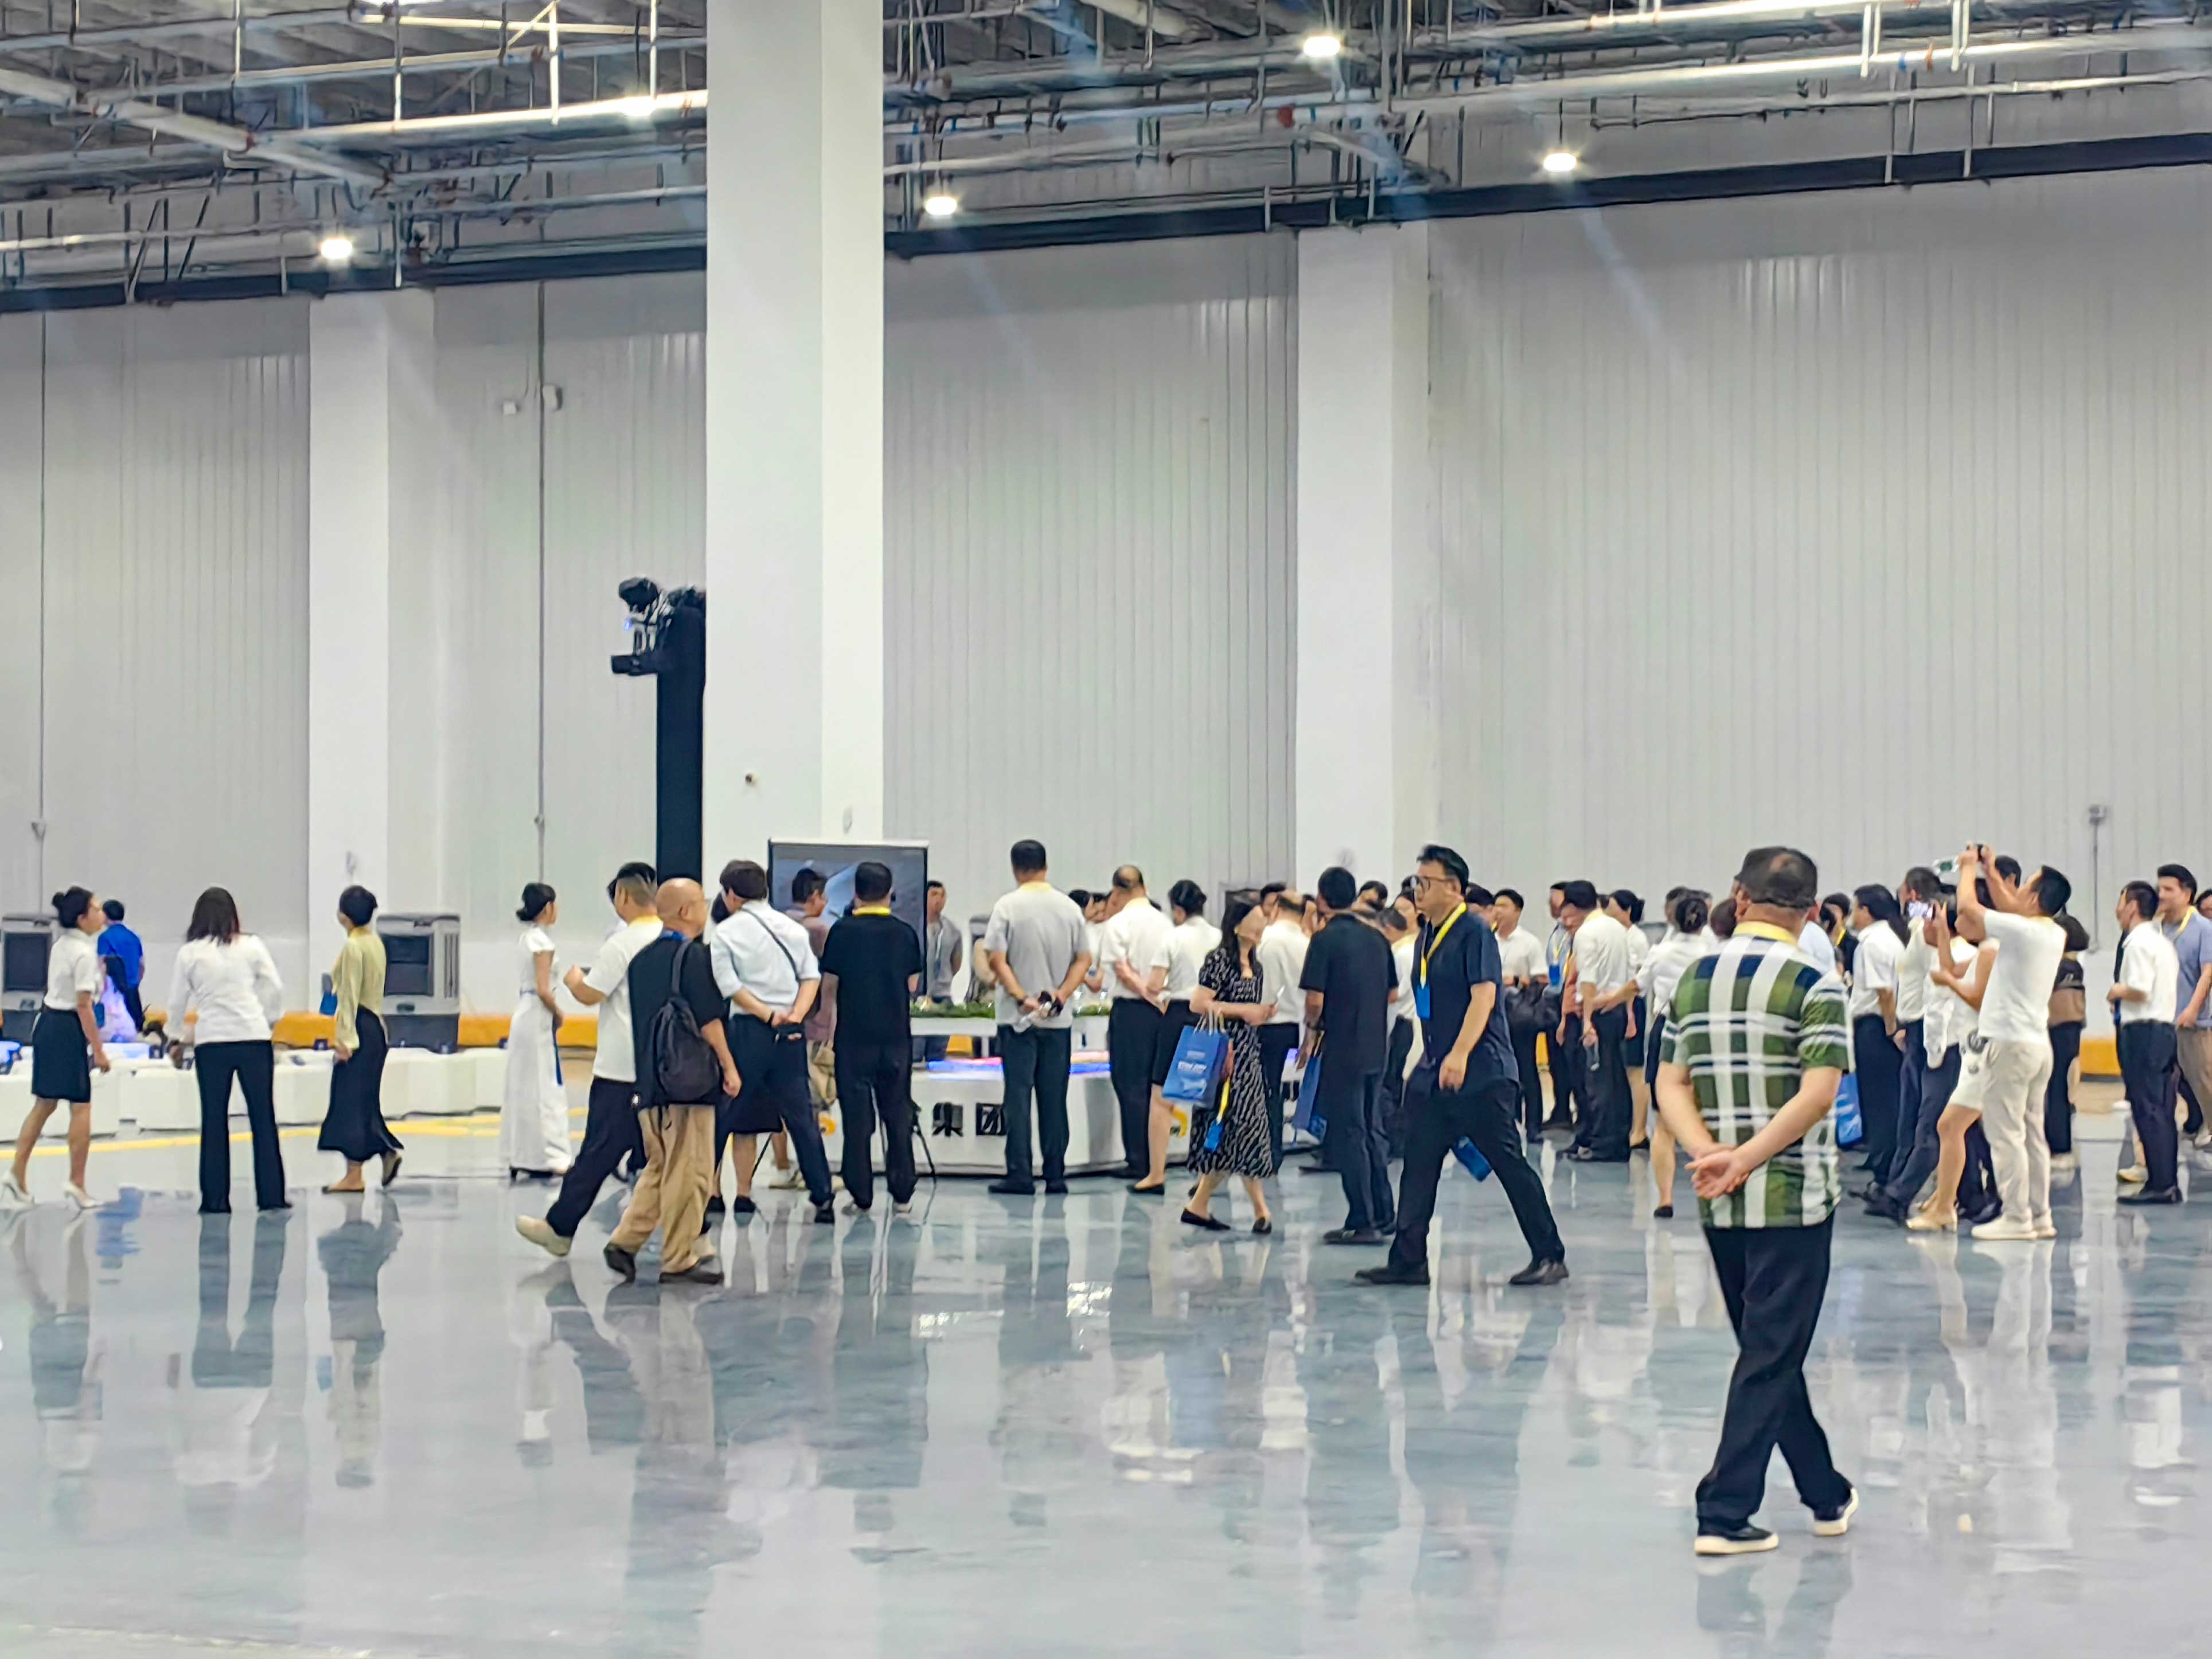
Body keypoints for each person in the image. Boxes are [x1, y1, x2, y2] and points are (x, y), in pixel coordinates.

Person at [1653, 845, 1856, 1557]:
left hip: (1719, 1200)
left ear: (1738, 898)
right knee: (1770, 1355)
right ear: (1812, 912)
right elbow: (1819, 1094)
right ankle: (1723, 1510)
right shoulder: (1816, 981)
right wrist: (1745, 1158)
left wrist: (1709, 1153)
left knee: (1767, 1351)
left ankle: (1824, 1491)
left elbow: (1669, 1084)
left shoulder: (1693, 977)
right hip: (1793, 1197)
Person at [1357, 846, 1567, 1288]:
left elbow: (1483, 996)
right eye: (1415, 881)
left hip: (1481, 1072)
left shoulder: (1473, 931)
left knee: (1508, 1163)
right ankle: (1408, 1259)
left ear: (1453, 887)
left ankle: (1549, 1254)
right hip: (1434, 1072)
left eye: (1425, 882)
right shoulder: (1426, 935)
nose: (1417, 890)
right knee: (1418, 1164)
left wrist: (1459, 1053)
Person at [516, 862, 659, 1259]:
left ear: (623, 896)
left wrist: (573, 976)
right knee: (666, 1157)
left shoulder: (622, 942)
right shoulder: (670, 938)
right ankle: (692, 1236)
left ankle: (560, 1227)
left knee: (598, 1151)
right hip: (661, 1065)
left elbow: (590, 993)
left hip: (620, 1068)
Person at [604, 879, 743, 1284]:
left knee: (661, 1166)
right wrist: (729, 1067)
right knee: (692, 1172)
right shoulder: (695, 957)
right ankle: (679, 1259)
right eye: (700, 902)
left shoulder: (641, 960)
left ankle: (625, 1241)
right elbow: (708, 1021)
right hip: (688, 1084)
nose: (705, 908)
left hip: (651, 1083)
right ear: (685, 911)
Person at [708, 860, 836, 1225]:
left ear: (731, 895)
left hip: (749, 1032)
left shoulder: (726, 933)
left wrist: (767, 1015)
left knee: (724, 1113)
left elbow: (729, 986)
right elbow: (811, 977)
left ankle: (703, 1192)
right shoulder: (791, 929)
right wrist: (795, 1014)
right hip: (791, 1032)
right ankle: (823, 1196)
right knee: (801, 1117)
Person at [1953, 847, 2068, 1242]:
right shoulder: (2051, 931)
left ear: (2034, 898)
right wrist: (1990, 870)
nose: (2016, 892)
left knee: (2004, 1134)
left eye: (2026, 886)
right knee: (2032, 1134)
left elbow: (1968, 908)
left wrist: (1967, 869)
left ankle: (2016, 1217)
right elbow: (2009, 905)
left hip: (2008, 1044)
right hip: (2036, 1044)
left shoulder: (2023, 931)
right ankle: (2040, 1215)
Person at [165, 887, 288, 1215]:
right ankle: (272, 1196)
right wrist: (268, 1020)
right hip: (254, 1038)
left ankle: (216, 1200)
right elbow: (275, 986)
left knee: (214, 1120)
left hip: (212, 1042)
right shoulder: (252, 945)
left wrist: (175, 1037)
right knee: (263, 1118)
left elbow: (177, 1002)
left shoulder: (189, 954)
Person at [980, 840, 1090, 1196]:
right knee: (1054, 1099)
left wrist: (1021, 997)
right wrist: (1062, 994)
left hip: (1017, 1021)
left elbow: (997, 960)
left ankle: (1020, 1174)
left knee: (1018, 1098)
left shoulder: (1007, 907)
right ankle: (1055, 1175)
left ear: (1015, 868)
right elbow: (1084, 959)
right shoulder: (1070, 908)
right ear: (1046, 866)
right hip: (1058, 1020)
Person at [1877, 898, 1994, 1226]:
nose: (1923, 926)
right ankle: (1971, 1196)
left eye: (1932, 920)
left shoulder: (1970, 955)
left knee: (1935, 1125)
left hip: (1953, 1049)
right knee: (1957, 1130)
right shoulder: (1946, 953)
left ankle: (1899, 1196)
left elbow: (1946, 1008)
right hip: (1935, 1047)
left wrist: (1935, 1053)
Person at [1301, 866, 1400, 1245]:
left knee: (1349, 1132)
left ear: (1321, 899)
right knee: (1372, 1128)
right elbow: (1392, 994)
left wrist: (1313, 1030)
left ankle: (1361, 1219)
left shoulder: (1324, 940)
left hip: (1343, 1047)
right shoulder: (1377, 939)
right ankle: (1384, 1213)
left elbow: (1315, 999)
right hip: (1376, 1044)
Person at [820, 861, 924, 1216]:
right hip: (895, 1038)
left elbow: (830, 986)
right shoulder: (905, 933)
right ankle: (903, 1193)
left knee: (857, 1120)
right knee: (897, 1114)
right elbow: (913, 985)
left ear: (856, 893)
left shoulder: (842, 932)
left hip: (853, 1038)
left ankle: (861, 1194)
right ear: (890, 892)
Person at [1, 888, 110, 1212]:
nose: (102, 913)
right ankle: (77, 1182)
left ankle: (17, 1172)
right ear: (82, 918)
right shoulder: (84, 953)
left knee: (44, 1104)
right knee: (81, 1106)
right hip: (67, 1029)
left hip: (47, 1024)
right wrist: (99, 1050)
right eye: (96, 908)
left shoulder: (63, 945)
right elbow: (84, 1006)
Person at [1179, 894, 1277, 1234]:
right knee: (1230, 1125)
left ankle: (1204, 1205)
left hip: (1248, 1054)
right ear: (1237, 926)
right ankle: (1257, 1210)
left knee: (1245, 1127)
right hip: (1224, 1055)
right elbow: (1198, 1003)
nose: (1262, 926)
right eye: (1256, 920)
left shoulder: (1257, 967)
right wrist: (1244, 1011)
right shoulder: (1219, 960)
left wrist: (1261, 1014)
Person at [1131, 880, 1217, 1195]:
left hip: (1179, 1014)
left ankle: (1156, 1174)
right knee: (1207, 1100)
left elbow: (1154, 986)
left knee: (1161, 1098)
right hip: (1213, 1017)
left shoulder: (1173, 937)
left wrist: (1164, 992)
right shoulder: (1220, 938)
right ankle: (1205, 1177)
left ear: (1178, 910)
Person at [317, 885, 401, 1195]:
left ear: (344, 916)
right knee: (365, 1101)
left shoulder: (353, 948)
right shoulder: (375, 943)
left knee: (349, 1102)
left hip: (359, 1028)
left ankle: (355, 1175)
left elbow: (349, 997)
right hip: (376, 1027)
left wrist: (345, 1041)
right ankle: (384, 1150)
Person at [1637, 890, 1715, 1218]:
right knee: (1710, 1116)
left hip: (1668, 1029)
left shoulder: (1661, 952)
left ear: (1673, 917)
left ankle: (1665, 1199)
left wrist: (1604, 1002)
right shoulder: (1715, 952)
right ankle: (1713, 1189)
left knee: (1664, 1121)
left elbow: (1638, 986)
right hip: (1707, 1031)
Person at [1096, 866, 1172, 1182]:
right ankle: (1156, 1160)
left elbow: (1122, 971)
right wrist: (1159, 999)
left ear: (1117, 891)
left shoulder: (1118, 924)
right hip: (1163, 1012)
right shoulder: (1165, 922)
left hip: (1132, 1011)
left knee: (1130, 1085)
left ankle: (1138, 1161)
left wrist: (1148, 995)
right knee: (1156, 1086)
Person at [2110, 879, 2183, 1205]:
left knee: (2148, 1108)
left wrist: (2116, 991)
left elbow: (2139, 989)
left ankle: (2161, 1184)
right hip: (2163, 1029)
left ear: (2132, 906)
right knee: (2161, 1108)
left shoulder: (2137, 943)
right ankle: (2164, 1179)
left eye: (2120, 901)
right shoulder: (2161, 942)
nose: (2117, 910)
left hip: (2143, 1032)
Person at [1561, 881, 1635, 1163]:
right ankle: (1608, 1138)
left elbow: (1588, 979)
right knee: (1614, 1079)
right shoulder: (1616, 927)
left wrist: (1588, 1022)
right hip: (1615, 1008)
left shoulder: (1587, 932)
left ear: (1572, 906)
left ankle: (1604, 1144)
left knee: (1597, 1082)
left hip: (1596, 1011)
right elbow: (1628, 973)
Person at [501, 883, 570, 1181]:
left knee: (523, 1086)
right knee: (544, 1087)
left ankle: (521, 1154)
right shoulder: (542, 943)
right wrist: (559, 1012)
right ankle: (551, 1155)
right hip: (538, 1016)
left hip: (524, 1011)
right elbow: (544, 989)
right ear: (548, 908)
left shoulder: (526, 939)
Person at [1884, 867, 1945, 1196]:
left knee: (1918, 1111)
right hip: (1914, 1024)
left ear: (1912, 894)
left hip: (1921, 1026)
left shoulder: (1927, 932)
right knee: (1911, 1110)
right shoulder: (1916, 930)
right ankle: (1895, 1181)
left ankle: (1901, 1186)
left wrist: (1911, 1025)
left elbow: (1930, 981)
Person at [1844, 885, 1907, 1178]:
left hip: (1876, 1026)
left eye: (1855, 908)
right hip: (1883, 1024)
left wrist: (1892, 1029)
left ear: (1866, 911)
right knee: (1886, 1096)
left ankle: (1884, 1165)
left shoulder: (1872, 943)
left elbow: (1884, 992)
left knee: (1878, 1098)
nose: (1852, 915)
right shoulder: (1891, 938)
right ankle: (1881, 1157)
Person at [785, 868, 836, 1184]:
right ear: (814, 897)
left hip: (785, 1023)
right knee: (813, 1103)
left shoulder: (780, 926)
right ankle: (812, 1173)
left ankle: (788, 1166)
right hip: (817, 1026)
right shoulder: (819, 931)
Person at [2156, 865, 2212, 1151]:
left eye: (2169, 889)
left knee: (2204, 1081)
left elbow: (2207, 973)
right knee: (2168, 1085)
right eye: (2160, 889)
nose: (2161, 895)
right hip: (2159, 1020)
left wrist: (2192, 1009)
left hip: (2192, 1022)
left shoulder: (2203, 928)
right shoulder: (2155, 928)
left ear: (2187, 893)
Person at [1254, 887, 1310, 1170]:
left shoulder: (1266, 939)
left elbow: (1259, 986)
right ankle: (1275, 1150)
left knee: (1263, 1092)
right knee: (1277, 1091)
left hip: (1267, 1024)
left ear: (1276, 908)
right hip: (1296, 1024)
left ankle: (1265, 1151)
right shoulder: (1307, 943)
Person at [1491, 889, 1550, 1142]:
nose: (1498, 910)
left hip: (1521, 1015)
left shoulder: (1529, 943)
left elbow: (1542, 978)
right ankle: (1508, 1121)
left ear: (1517, 911)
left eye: (1504, 906)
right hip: (1493, 1013)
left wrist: (1516, 980)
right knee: (1502, 1071)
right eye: (1496, 905)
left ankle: (1533, 1124)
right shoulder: (1488, 939)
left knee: (1526, 1068)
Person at [1606, 891, 1653, 1147]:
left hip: (1632, 1003)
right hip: (1615, 1003)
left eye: (1612, 908)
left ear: (1626, 911)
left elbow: (1637, 980)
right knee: (1619, 1069)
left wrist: (1631, 1015)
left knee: (1635, 1069)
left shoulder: (1637, 938)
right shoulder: (1616, 936)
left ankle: (1639, 1130)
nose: (1608, 912)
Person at [2044, 914, 2089, 1177]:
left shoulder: (2062, 967)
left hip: (2059, 1030)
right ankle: (2057, 1144)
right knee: (2059, 1089)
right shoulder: (2073, 966)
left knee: (2057, 1090)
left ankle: (2060, 1147)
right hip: (2069, 1031)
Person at [1378, 903, 1418, 1158]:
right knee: (1397, 1085)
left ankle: (1395, 1141)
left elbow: (1394, 994)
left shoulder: (1399, 954)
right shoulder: (1416, 949)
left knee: (1390, 1086)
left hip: (1398, 1023)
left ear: (1388, 929)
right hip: (1410, 1022)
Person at [1542, 884, 1583, 1132]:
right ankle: (1561, 1110)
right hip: (1553, 999)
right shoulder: (1557, 932)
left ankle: (1582, 1113)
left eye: (1556, 901)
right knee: (1555, 1060)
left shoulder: (1580, 934)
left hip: (1571, 999)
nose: (1552, 906)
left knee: (1573, 1059)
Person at [921, 879, 962, 1062]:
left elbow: (956, 962)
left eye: (942, 895)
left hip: (943, 995)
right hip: (918, 995)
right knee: (915, 1050)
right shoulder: (914, 927)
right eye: (934, 895)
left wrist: (945, 978)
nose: (939, 899)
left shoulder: (952, 930)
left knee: (938, 1053)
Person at [97, 898, 145, 1031]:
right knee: (136, 1029)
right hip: (134, 993)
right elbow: (142, 965)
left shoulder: (105, 938)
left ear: (105, 915)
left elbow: (102, 965)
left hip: (114, 992)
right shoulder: (134, 937)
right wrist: (135, 982)